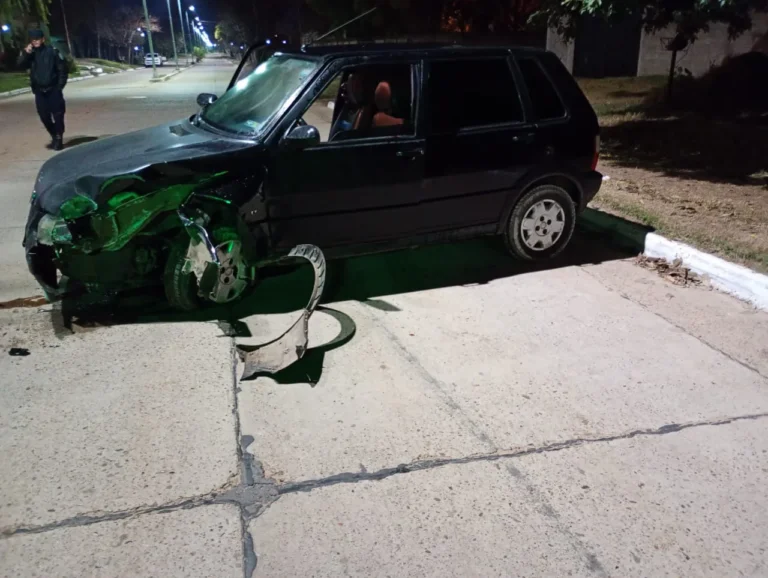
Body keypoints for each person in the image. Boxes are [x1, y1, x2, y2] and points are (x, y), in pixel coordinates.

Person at [17, 29, 68, 151]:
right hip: (40, 91)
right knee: (44, 116)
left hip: (53, 90)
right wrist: (26, 53)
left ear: (42, 39)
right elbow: (19, 65)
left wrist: (59, 86)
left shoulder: (52, 52)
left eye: (37, 39)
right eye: (33, 39)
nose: (35, 41)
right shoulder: (31, 54)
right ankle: (54, 135)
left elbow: (62, 69)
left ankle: (59, 138)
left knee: (58, 116)